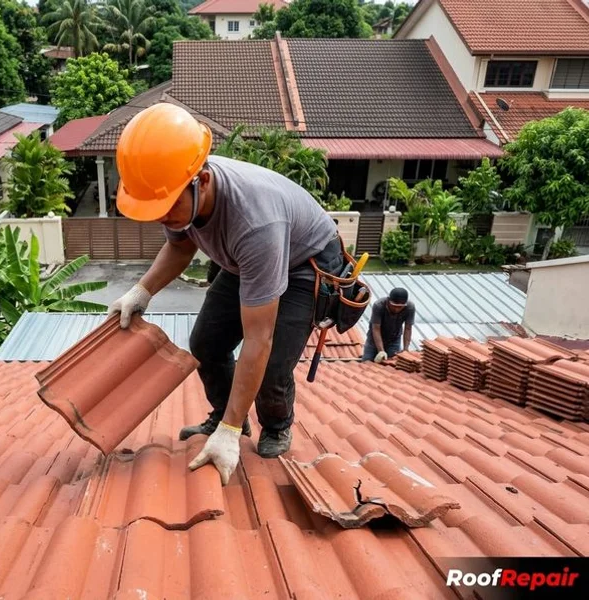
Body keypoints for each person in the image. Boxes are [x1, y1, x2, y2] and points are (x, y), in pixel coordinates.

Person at [107, 103, 343, 485]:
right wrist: (142, 291)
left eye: (166, 208)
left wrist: (229, 433)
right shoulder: (178, 186)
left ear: (201, 181)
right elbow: (181, 247)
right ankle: (226, 415)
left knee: (270, 365)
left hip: (303, 265)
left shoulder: (255, 223)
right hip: (242, 261)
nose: (161, 217)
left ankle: (275, 424)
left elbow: (258, 339)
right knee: (205, 343)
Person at [361, 287, 415, 363]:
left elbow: (408, 328)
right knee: (367, 362)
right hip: (373, 340)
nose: (397, 309)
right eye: (394, 306)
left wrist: (406, 349)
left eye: (400, 307)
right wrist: (381, 351)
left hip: (394, 340)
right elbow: (376, 328)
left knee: (391, 363)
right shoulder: (379, 305)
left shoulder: (409, 307)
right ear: (388, 301)